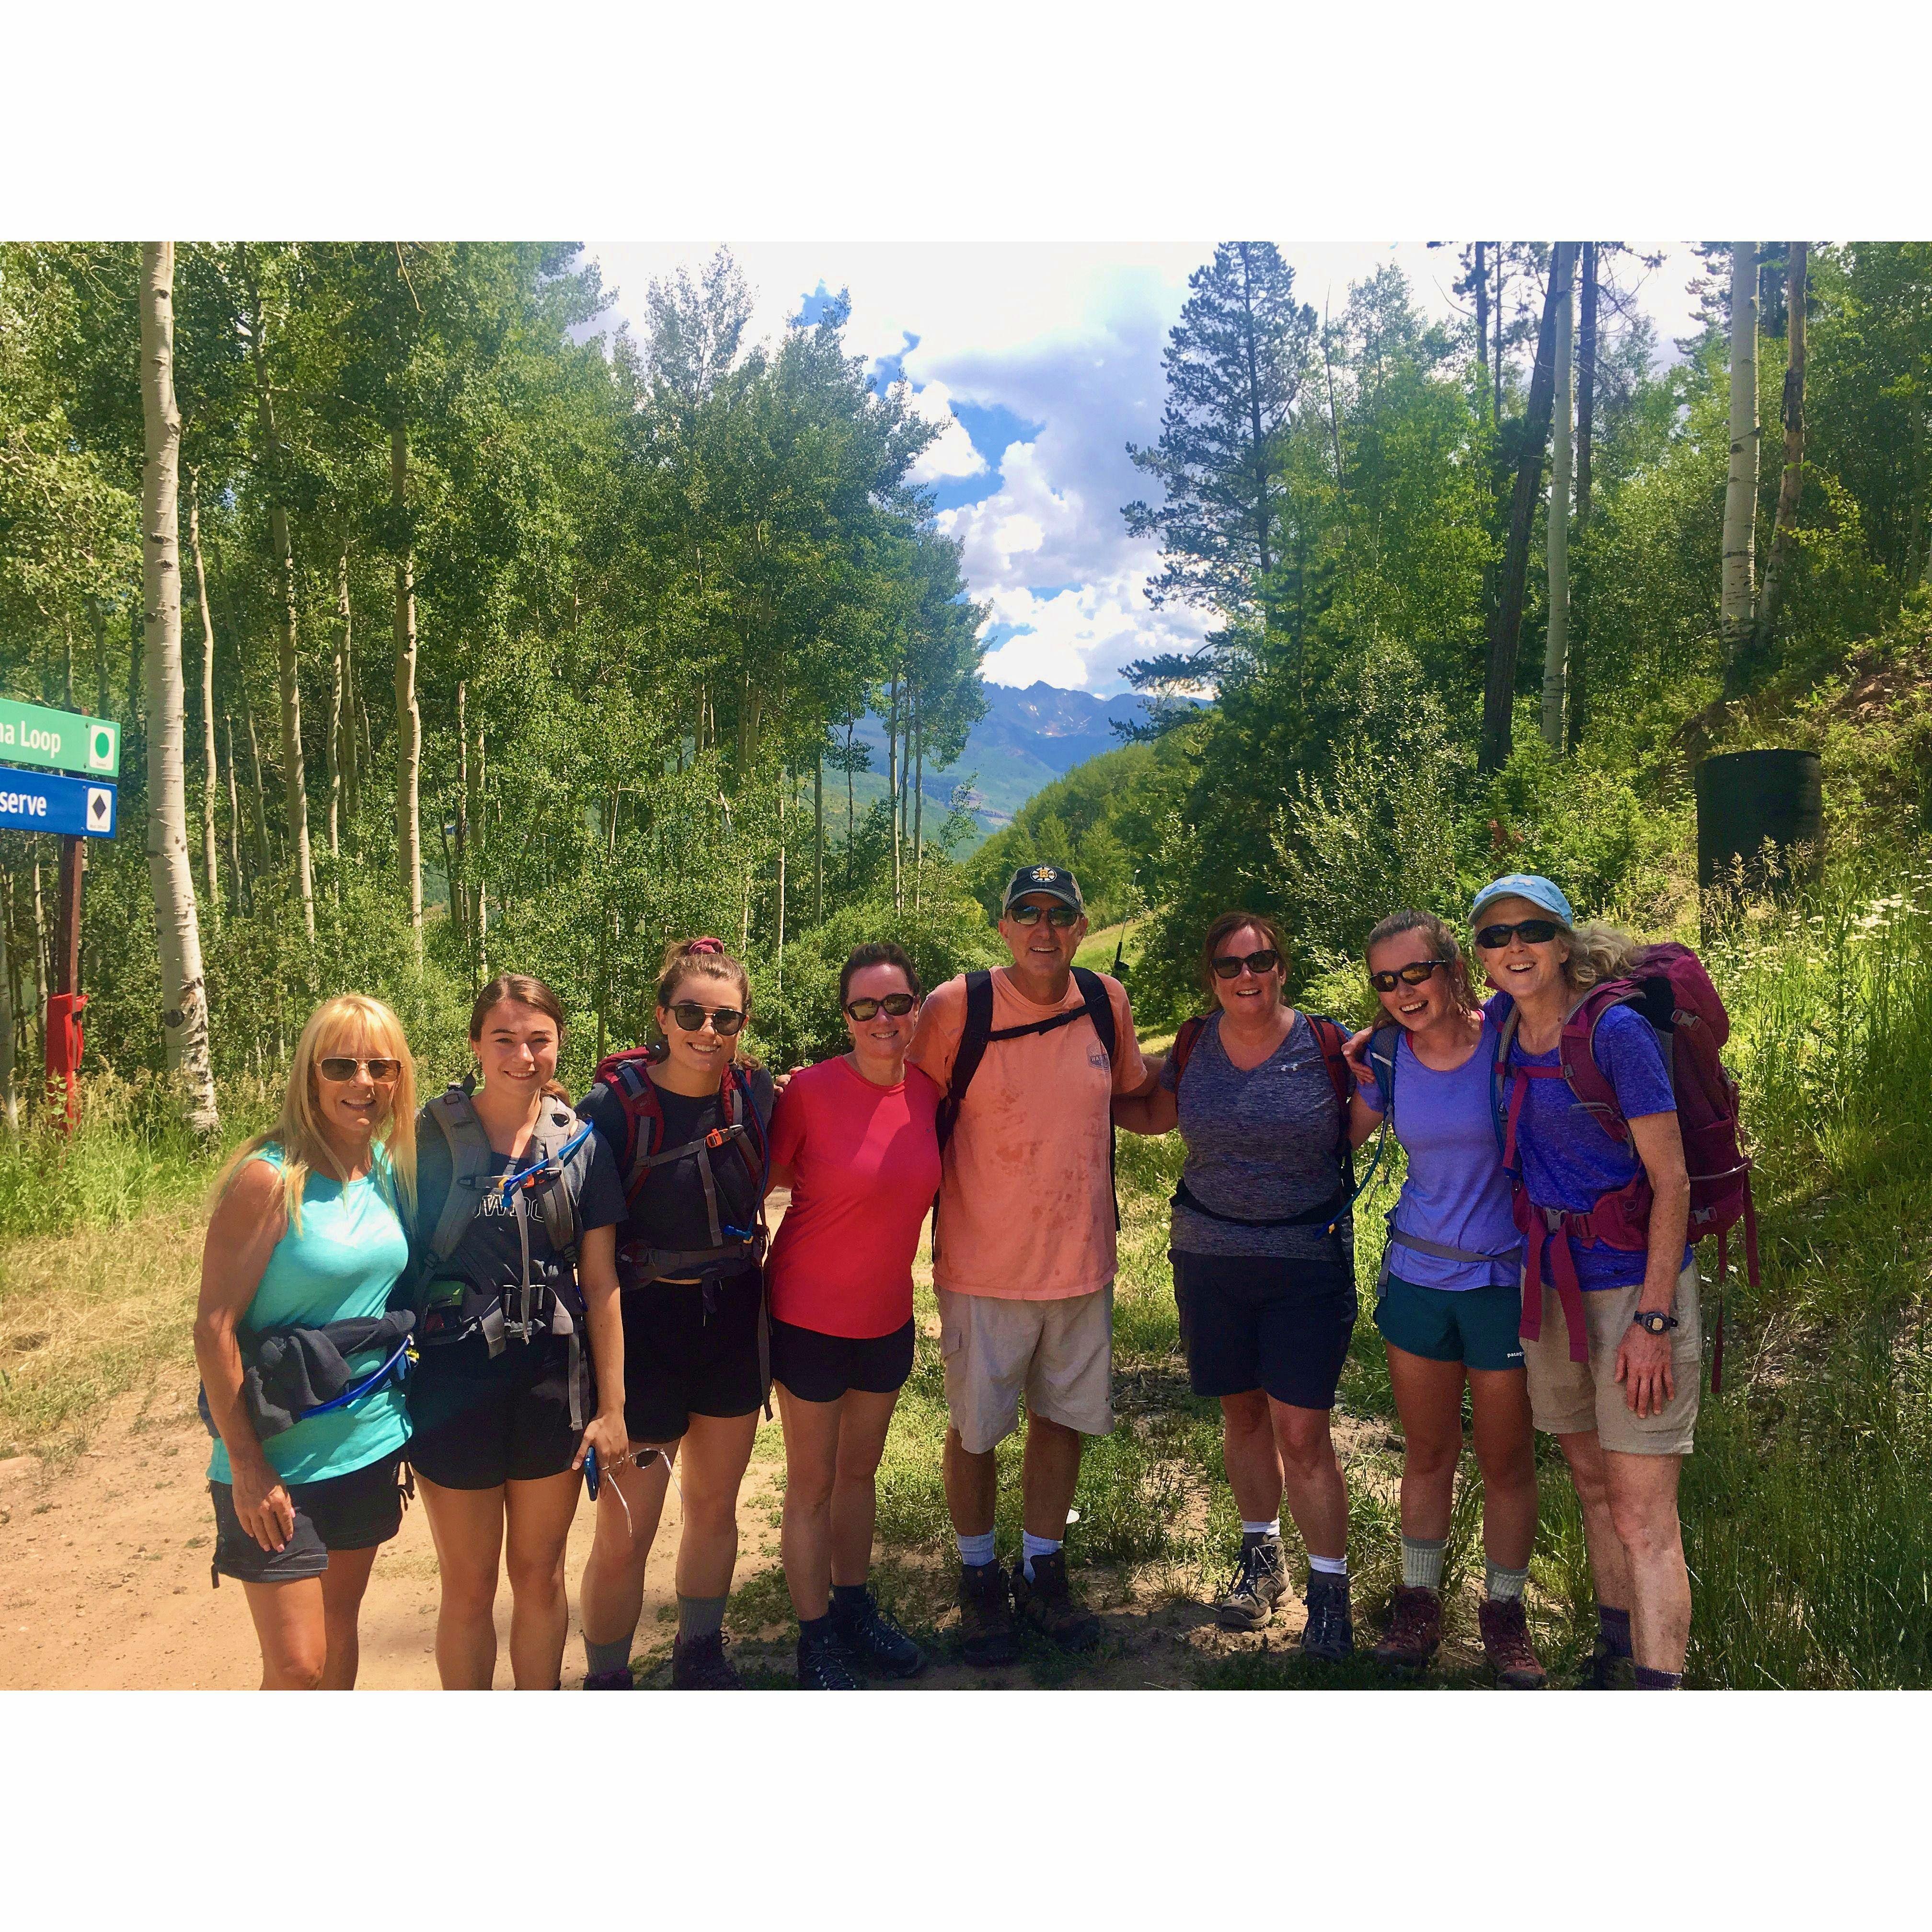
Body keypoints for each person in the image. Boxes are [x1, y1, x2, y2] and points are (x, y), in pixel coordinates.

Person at [907, 864, 1151, 1666]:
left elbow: (1133, 1098)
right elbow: (903, 1112)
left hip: (1083, 1262)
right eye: (1028, 913)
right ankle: (979, 1578)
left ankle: (1043, 1565)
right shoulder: (954, 1009)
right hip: (984, 1268)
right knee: (976, 1432)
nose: (1044, 929)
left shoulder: (1105, 1002)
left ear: (1081, 927)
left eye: (1060, 915)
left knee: (1062, 1421)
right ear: (1003, 926)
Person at [1114, 912, 1371, 1658]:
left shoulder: (1327, 1044)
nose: (1246, 976)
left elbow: (1376, 1111)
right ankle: (1262, 1564)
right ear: (1212, 978)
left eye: (1259, 961)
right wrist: (1069, 1097)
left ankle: (1330, 1591)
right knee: (1244, 1416)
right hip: (1210, 1258)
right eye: (1229, 966)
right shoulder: (1193, 1047)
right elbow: (1156, 1114)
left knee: (1304, 1433)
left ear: (1282, 968)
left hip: (1306, 1261)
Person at [1472, 873, 1698, 1690]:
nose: (1514, 948)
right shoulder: (1500, 1028)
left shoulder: (1616, 1033)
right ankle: (1611, 1660)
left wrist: (1656, 1320)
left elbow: (1671, 1182)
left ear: (1565, 940)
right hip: (1554, 1290)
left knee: (1645, 1517)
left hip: (1635, 1291)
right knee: (1596, 1486)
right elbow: (1424, 1023)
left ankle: (1655, 1688)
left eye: (1530, 930)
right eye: (1494, 937)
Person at [405, 974, 630, 1690]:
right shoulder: (427, 1140)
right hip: (452, 1387)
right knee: (468, 1589)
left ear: (560, 1044)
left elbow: (600, 1285)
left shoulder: (581, 1146)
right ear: (475, 1043)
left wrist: (613, 1409)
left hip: (549, 1386)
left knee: (541, 1576)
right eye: (504, 1039)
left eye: (539, 1040)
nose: (523, 1056)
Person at [1343, 910, 1545, 1687]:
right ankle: (1417, 1603)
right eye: (1385, 981)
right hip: (1421, 1279)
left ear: (1453, 967)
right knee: (1427, 1453)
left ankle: (1504, 1616)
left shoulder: (1509, 1039)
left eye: (1415, 972)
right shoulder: (1389, 1056)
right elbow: (1343, 1137)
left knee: (1507, 1462)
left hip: (1503, 1279)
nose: (1402, 992)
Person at [193, 995, 419, 1690]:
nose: (363, 1083)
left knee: (339, 1634)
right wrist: (249, 1466)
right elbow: (214, 1327)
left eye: (380, 1066)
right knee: (298, 1668)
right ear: (309, 1074)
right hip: (279, 1460)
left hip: (368, 1444)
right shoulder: (270, 1177)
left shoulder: (385, 1164)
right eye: (341, 1065)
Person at [575, 937, 775, 1690]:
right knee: (626, 1534)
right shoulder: (612, 1109)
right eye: (691, 1012)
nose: (708, 1031)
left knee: (714, 1508)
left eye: (725, 1018)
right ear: (662, 1016)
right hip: (643, 1330)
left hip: (730, 1323)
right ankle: (608, 1682)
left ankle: (700, 1653)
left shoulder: (755, 1096)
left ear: (742, 1026)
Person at [762, 942, 939, 1689]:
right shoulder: (806, 1091)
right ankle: (815, 1639)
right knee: (811, 1483)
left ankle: (855, 1606)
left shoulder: (931, 1091)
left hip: (887, 1320)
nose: (882, 1018)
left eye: (896, 1003)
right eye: (865, 1006)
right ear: (846, 1016)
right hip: (806, 1316)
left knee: (860, 1476)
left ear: (915, 1010)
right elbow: (757, 1189)